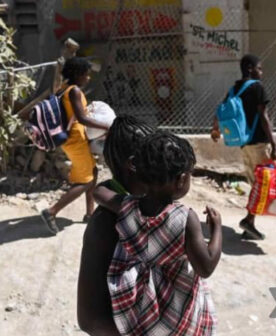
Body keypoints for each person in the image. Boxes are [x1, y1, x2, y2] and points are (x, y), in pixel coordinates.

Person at [93, 131, 221, 336]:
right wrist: (216, 230)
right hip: (177, 305)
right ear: (181, 180)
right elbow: (205, 267)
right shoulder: (185, 219)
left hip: (139, 304)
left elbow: (98, 192)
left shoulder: (127, 206)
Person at [77, 115, 154, 336]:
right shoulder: (106, 223)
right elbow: (89, 319)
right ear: (134, 164)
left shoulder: (154, 205)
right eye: (156, 153)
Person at [210, 53, 276, 241]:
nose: (262, 72)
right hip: (259, 143)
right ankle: (249, 221)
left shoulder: (235, 89)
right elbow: (264, 117)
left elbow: (219, 112)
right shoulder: (258, 88)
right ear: (250, 68)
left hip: (244, 144)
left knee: (256, 184)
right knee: (264, 184)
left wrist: (215, 130)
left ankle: (250, 224)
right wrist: (274, 143)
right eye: (260, 68)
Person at [39, 57, 111, 234]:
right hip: (75, 140)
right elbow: (82, 118)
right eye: (86, 75)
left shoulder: (64, 89)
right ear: (78, 74)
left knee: (92, 173)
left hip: (74, 139)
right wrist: (108, 126)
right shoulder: (75, 91)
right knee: (85, 182)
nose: (88, 78)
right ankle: (51, 212)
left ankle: (90, 214)